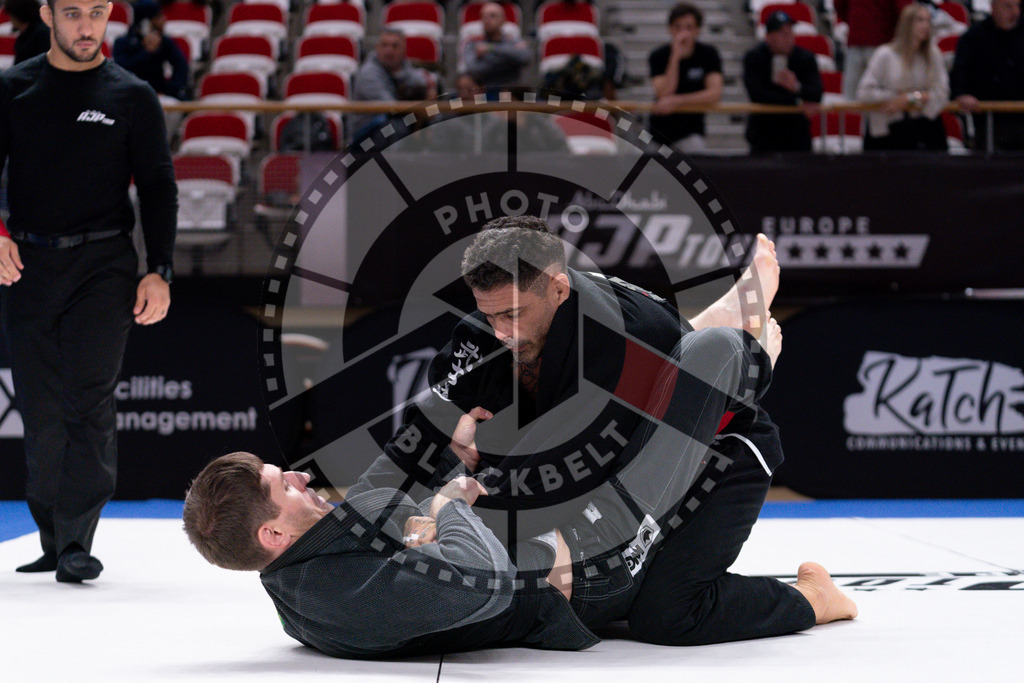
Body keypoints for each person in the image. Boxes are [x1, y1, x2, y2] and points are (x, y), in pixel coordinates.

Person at [183, 319, 858, 657]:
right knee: (714, 355)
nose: (300, 475)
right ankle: (750, 352)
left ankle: (703, 346)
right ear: (273, 532)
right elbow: (483, 583)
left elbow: (383, 485)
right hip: (593, 561)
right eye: (282, 483)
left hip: (552, 538)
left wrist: (442, 436)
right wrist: (447, 507)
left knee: (540, 404)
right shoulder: (334, 593)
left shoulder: (311, 558)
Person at [0, 0, 177, 582]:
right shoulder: (13, 88)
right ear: (47, 14)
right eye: (73, 12)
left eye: (97, 13)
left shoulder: (132, 95)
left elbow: (158, 186)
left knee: (89, 400)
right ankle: (52, 538)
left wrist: (160, 269)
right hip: (27, 264)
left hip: (104, 265)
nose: (86, 26)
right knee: (40, 406)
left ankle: (78, 540)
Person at [857, 3, 949, 150]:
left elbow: (942, 92)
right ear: (907, 24)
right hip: (889, 127)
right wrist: (895, 98)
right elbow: (864, 92)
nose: (925, 25)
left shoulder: (933, 54)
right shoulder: (885, 54)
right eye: (920, 20)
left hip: (924, 125)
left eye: (928, 21)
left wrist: (909, 98)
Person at [743, 10, 823, 153]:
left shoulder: (805, 58)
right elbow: (758, 95)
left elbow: (817, 93)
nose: (788, 37)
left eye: (790, 32)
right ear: (768, 37)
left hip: (796, 135)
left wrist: (796, 87)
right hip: (763, 134)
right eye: (782, 33)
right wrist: (797, 101)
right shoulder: (754, 58)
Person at [647, 2, 723, 153]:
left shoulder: (709, 54)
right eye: (678, 27)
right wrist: (675, 57)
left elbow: (715, 93)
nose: (683, 33)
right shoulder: (658, 56)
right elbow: (665, 92)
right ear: (670, 29)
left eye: (689, 27)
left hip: (691, 132)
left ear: (697, 30)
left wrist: (677, 101)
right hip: (659, 133)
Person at [950, 0, 1024, 150]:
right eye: (1008, 6)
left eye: (1018, 5)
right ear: (993, 7)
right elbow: (960, 72)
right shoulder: (974, 37)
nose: (1015, 12)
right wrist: (962, 94)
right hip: (988, 120)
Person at [350, 28, 436, 145]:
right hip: (367, 133)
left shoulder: (403, 65)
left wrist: (428, 94)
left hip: (399, 119)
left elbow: (421, 85)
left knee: (438, 121)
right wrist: (421, 108)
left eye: (395, 46)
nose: (389, 51)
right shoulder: (368, 73)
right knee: (397, 128)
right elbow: (391, 108)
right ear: (377, 48)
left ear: (404, 50)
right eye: (384, 45)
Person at [112, 0, 190, 101]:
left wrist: (170, 90)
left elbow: (181, 65)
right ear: (146, 23)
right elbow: (121, 70)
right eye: (158, 17)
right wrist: (146, 52)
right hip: (129, 95)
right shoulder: (123, 42)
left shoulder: (164, 41)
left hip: (158, 94)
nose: (164, 20)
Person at [835, 0, 914, 99]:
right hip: (882, 40)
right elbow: (907, 12)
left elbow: (839, 4)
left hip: (857, 39)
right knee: (882, 96)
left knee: (851, 96)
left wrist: (855, 22)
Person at [461, 1, 531, 93]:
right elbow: (473, 68)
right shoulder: (473, 43)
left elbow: (526, 58)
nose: (487, 20)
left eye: (492, 16)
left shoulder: (512, 41)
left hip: (511, 92)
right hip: (484, 92)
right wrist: (510, 61)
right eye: (484, 17)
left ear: (503, 20)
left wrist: (490, 49)